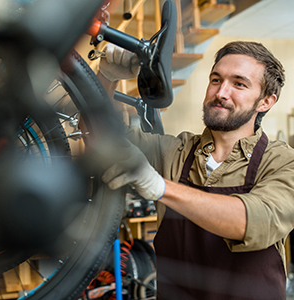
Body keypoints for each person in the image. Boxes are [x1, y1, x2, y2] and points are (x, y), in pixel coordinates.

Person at [97, 41, 294, 299]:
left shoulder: (281, 161)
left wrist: (160, 187)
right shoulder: (174, 150)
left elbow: (253, 221)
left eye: (239, 84)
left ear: (265, 102)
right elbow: (101, 140)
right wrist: (105, 79)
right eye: (216, 79)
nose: (221, 92)